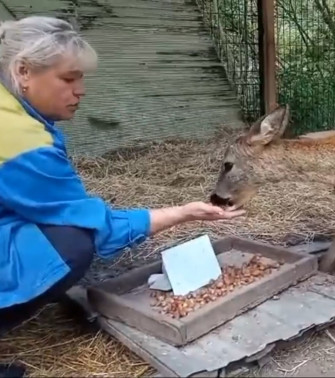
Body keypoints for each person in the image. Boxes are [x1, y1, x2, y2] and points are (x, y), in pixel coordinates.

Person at [0, 15, 245, 377]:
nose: (80, 90)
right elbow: (95, 226)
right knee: (72, 243)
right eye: (69, 79)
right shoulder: (21, 139)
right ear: (23, 71)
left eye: (81, 78)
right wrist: (183, 212)